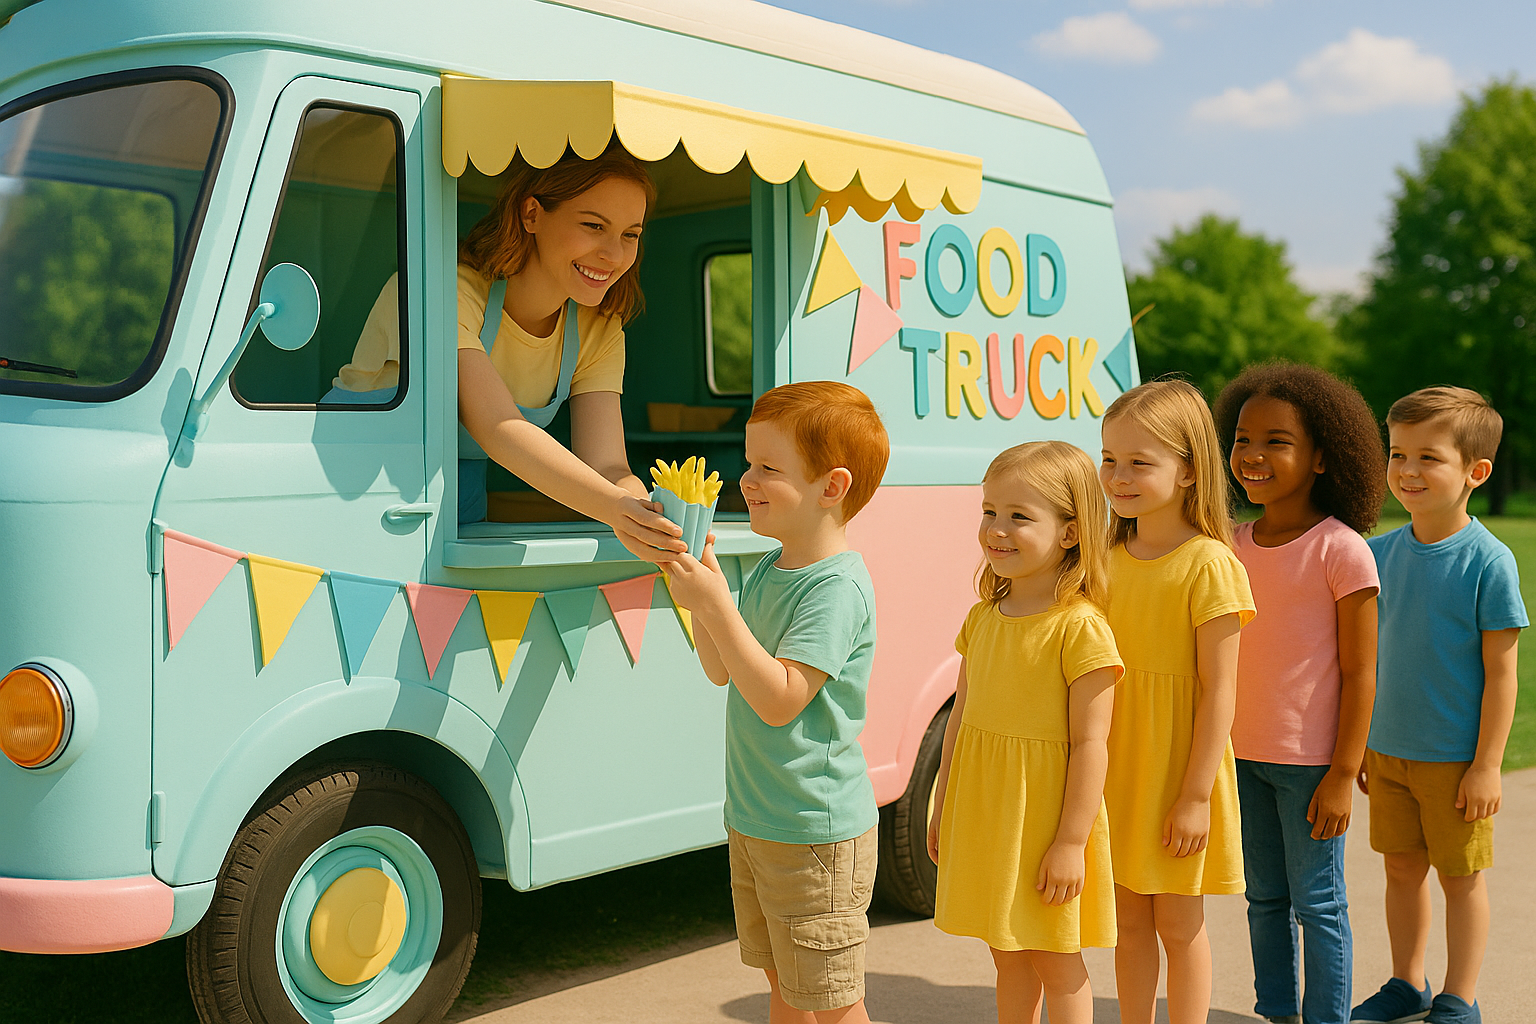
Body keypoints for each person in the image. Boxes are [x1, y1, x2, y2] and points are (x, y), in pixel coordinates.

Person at [661, 381, 890, 1024]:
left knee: (833, 998)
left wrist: (715, 605)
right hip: (759, 819)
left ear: (832, 486)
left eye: (768, 467)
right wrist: (700, 589)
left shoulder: (836, 589)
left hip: (815, 834)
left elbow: (781, 700)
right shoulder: (769, 569)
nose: (746, 479)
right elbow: (720, 670)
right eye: (748, 462)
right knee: (785, 982)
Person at [331, 142, 683, 560]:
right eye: (593, 226)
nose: (613, 254)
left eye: (630, 235)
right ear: (531, 214)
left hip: (461, 494)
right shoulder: (443, 291)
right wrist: (617, 509)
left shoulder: (600, 330)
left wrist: (650, 518)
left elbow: (607, 468)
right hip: (349, 486)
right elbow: (501, 428)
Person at [926, 441, 1122, 1024]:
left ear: (1069, 531)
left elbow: (1092, 745)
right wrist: (942, 804)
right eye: (989, 511)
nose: (997, 529)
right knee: (1006, 954)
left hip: (1045, 821)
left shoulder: (1081, 629)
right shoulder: (983, 616)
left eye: (1019, 516)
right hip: (988, 813)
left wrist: (1069, 843)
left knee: (1055, 960)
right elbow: (962, 715)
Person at [1213, 364, 1384, 1024]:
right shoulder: (1230, 546)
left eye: (1277, 441)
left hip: (1312, 765)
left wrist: (1344, 771)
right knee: (1263, 898)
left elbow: (1361, 672)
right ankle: (1276, 1012)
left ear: (1321, 456)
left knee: (1318, 903)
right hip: (1242, 756)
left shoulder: (1342, 551)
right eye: (1243, 438)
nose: (1254, 454)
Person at [1351, 387, 1525, 1024]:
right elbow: (1365, 662)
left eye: (1429, 457)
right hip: (1389, 750)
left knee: (1460, 879)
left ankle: (1460, 996)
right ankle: (1407, 983)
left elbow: (1502, 675)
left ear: (1476, 472)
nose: (1407, 470)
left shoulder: (1489, 562)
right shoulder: (1377, 555)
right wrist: (1363, 743)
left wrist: (1487, 765)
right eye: (1398, 454)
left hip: (1456, 761)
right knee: (1400, 869)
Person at [1097, 378, 1255, 1024]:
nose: (1118, 476)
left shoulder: (1210, 563)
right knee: (1128, 924)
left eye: (1140, 462)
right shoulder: (1103, 559)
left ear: (1189, 470)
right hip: (1115, 768)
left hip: (1179, 773)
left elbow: (1221, 690)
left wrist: (1194, 797)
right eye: (1109, 460)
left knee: (1179, 925)